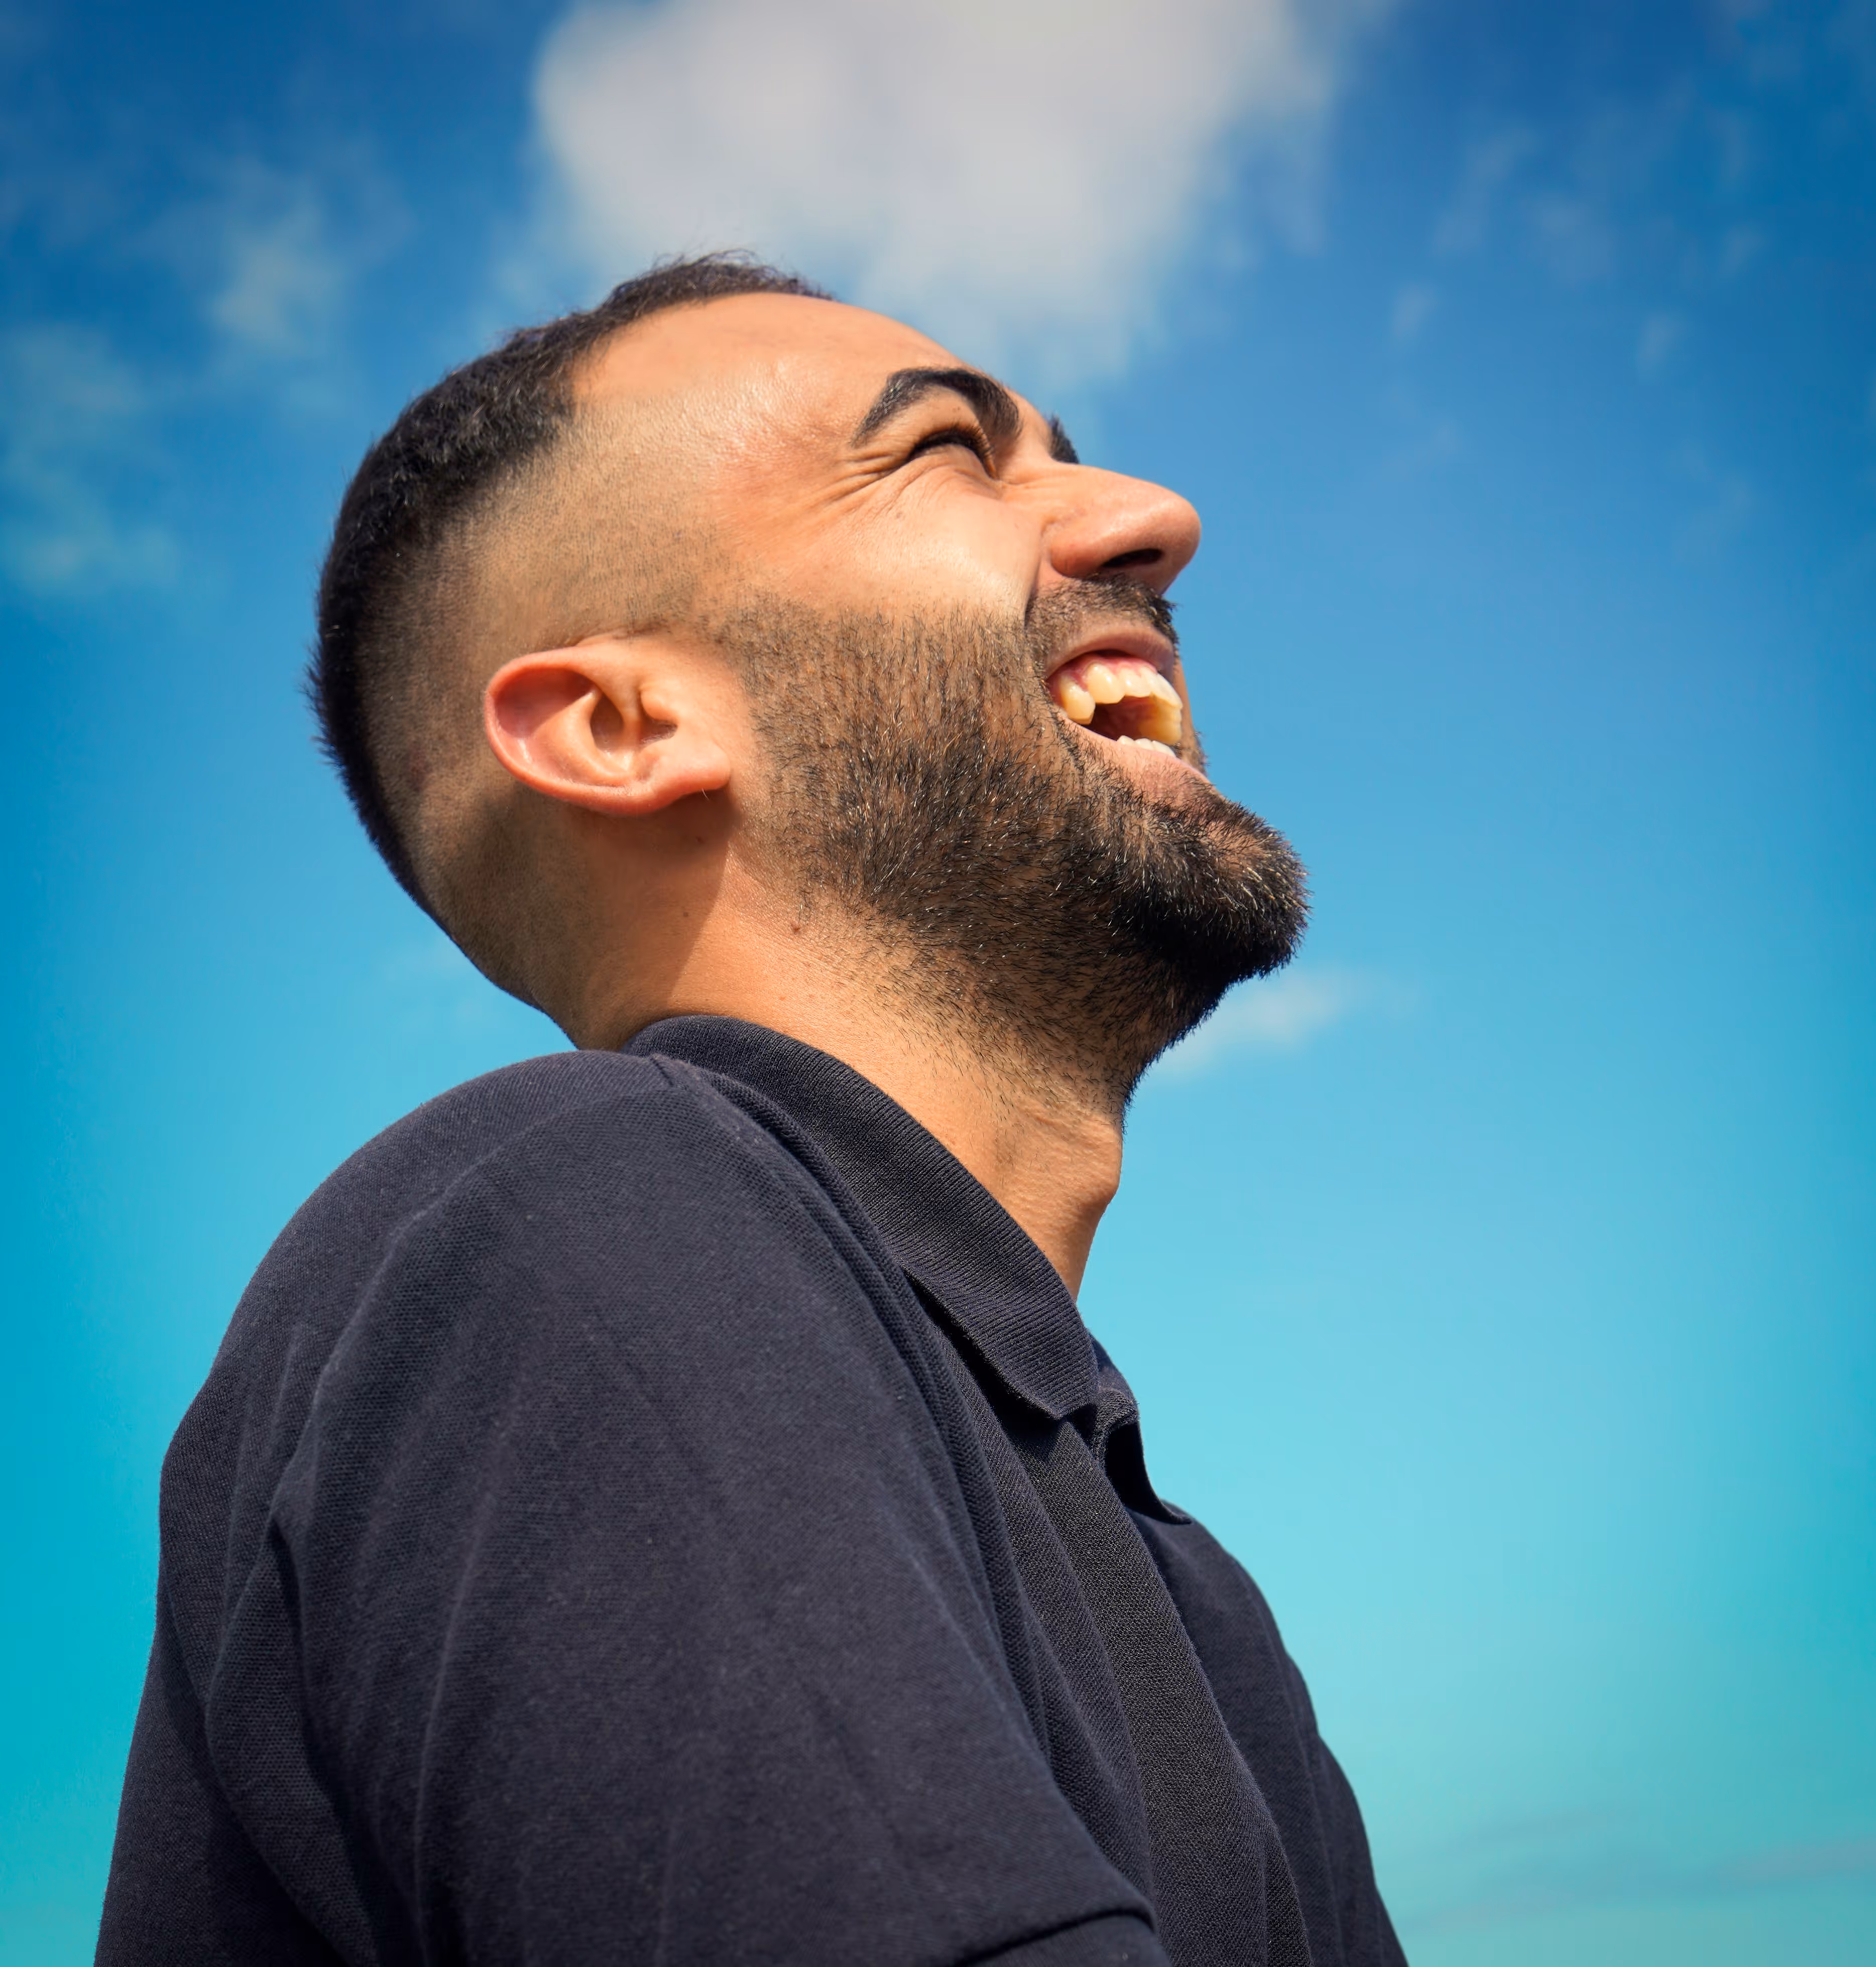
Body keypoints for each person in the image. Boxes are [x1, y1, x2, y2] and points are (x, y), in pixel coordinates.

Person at [98, 255, 1406, 1967]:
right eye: (945, 453)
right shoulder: (572, 1217)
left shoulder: (1188, 1589)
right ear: (619, 724)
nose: (1155, 517)